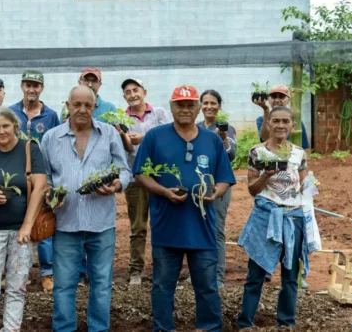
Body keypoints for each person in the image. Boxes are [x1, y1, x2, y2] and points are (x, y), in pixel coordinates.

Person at [132, 85, 236, 332]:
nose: (186, 109)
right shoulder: (155, 137)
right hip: (167, 224)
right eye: (180, 104)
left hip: (202, 226)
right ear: (171, 107)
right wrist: (164, 192)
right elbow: (140, 174)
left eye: (191, 105)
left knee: (207, 285)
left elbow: (224, 177)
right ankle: (163, 328)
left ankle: (209, 327)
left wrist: (215, 193)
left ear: (198, 109)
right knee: (162, 285)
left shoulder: (211, 140)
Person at [40, 86, 131, 332]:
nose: (82, 109)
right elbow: (44, 177)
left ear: (94, 107)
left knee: (101, 282)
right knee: (63, 283)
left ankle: (98, 328)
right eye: (76, 104)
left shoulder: (109, 134)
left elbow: (124, 169)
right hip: (65, 221)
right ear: (67, 105)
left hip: (101, 222)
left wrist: (116, 184)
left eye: (87, 105)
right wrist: (49, 194)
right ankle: (64, 328)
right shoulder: (50, 138)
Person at [0, 107, 48, 332]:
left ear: (15, 126)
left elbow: (39, 187)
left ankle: (11, 329)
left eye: (5, 126)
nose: (1, 131)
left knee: (17, 287)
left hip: (21, 231)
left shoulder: (29, 149)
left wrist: (27, 226)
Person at [237, 106, 310, 329]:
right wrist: (266, 176)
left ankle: (286, 323)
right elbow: (252, 189)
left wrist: (311, 187)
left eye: (285, 121)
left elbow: (302, 185)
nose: (280, 125)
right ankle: (245, 323)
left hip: (293, 218)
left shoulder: (299, 153)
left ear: (292, 126)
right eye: (275, 121)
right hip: (266, 217)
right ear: (267, 124)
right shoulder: (257, 153)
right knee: (256, 273)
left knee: (290, 275)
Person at [8, 70, 61, 291]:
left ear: (42, 88)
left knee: (43, 220)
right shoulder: (10, 113)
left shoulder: (51, 115)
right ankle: (16, 272)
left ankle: (47, 272)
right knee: (15, 222)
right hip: (16, 174)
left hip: (42, 175)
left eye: (36, 85)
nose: (32, 89)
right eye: (28, 84)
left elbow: (57, 144)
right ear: (22, 86)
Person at [122, 77, 172, 286]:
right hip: (136, 178)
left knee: (163, 224)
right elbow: (124, 148)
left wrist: (144, 138)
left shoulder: (159, 113)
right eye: (128, 92)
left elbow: (170, 137)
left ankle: (164, 269)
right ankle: (136, 271)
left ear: (144, 92)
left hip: (161, 177)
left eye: (136, 90)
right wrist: (125, 137)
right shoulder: (121, 118)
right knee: (138, 227)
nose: (132, 94)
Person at [197, 89, 237, 289]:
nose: (209, 106)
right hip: (198, 183)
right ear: (200, 106)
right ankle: (199, 272)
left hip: (219, 183)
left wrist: (222, 137)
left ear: (219, 106)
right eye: (205, 103)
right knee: (197, 227)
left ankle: (219, 275)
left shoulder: (226, 128)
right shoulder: (195, 128)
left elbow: (231, 156)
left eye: (213, 103)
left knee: (216, 228)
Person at [255, 84, 310, 151]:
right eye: (274, 96)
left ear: (288, 100)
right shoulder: (262, 119)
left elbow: (305, 148)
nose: (277, 100)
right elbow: (265, 139)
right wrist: (266, 110)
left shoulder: (296, 121)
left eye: (281, 97)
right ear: (268, 100)